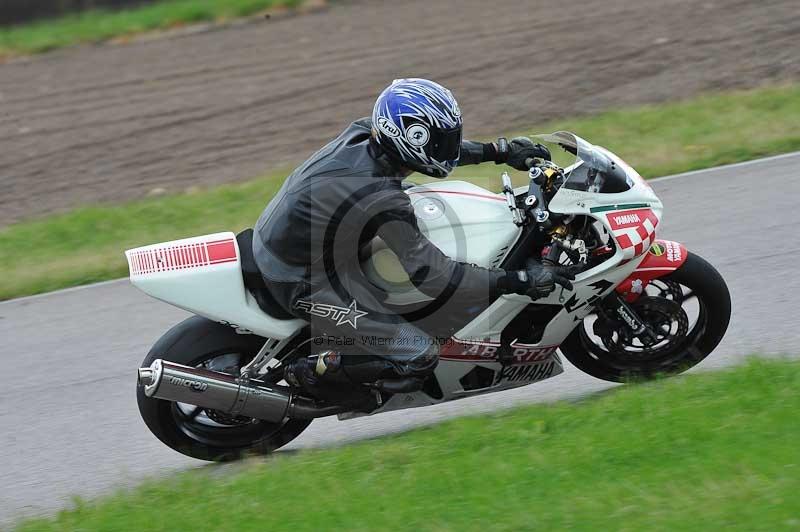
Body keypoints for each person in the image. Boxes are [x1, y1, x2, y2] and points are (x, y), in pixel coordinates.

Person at [253, 78, 574, 402]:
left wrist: (498, 151)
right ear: (411, 139)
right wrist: (518, 281)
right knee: (419, 354)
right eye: (441, 141)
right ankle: (308, 372)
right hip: (300, 278)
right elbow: (435, 277)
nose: (448, 148)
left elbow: (440, 155)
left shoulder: (367, 135)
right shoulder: (380, 194)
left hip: (302, 243)